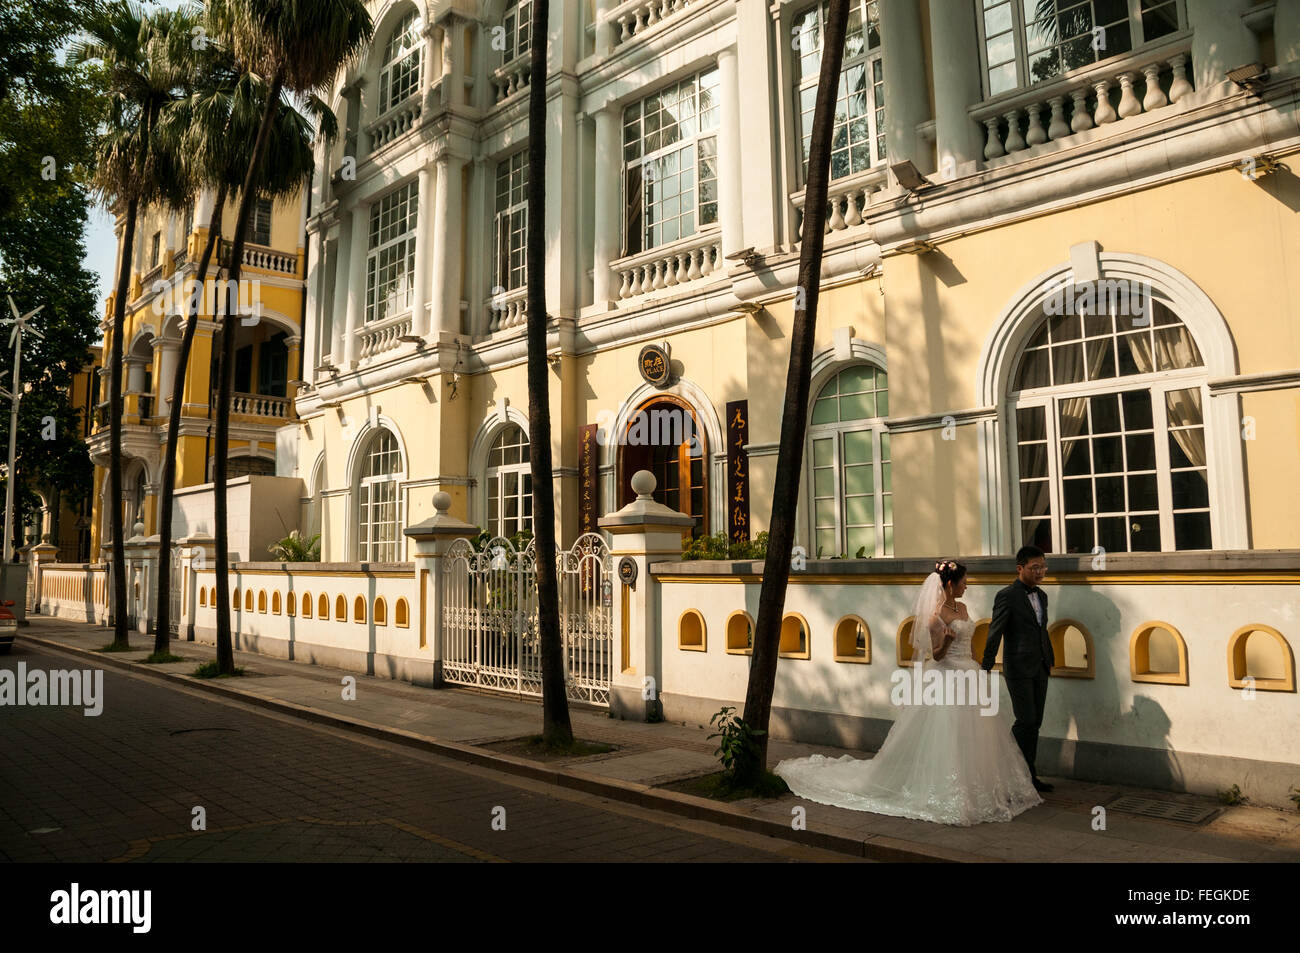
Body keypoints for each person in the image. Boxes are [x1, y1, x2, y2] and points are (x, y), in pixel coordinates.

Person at [773, 559, 1042, 826]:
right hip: (945, 679)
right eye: (964, 582)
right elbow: (936, 656)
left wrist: (978, 669)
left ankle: (980, 787)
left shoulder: (962, 607)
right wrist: (946, 641)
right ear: (950, 584)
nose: (967, 586)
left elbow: (970, 643)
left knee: (976, 734)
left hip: (968, 675)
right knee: (947, 734)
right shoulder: (935, 616)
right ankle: (951, 790)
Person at [982, 545, 1056, 792]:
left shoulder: (1042, 596)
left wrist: (1049, 657)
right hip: (1018, 667)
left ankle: (1028, 775)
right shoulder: (1006, 595)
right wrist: (987, 664)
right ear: (1020, 568)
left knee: (1035, 723)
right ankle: (1009, 769)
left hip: (1041, 666)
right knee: (1025, 720)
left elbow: (1040, 629)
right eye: (1035, 567)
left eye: (1043, 567)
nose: (1040, 572)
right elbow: (996, 631)